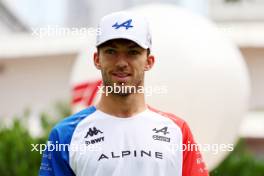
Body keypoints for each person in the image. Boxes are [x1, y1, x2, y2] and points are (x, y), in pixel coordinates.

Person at [39, 11, 208, 176]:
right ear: (97, 60)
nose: (121, 62)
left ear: (149, 62)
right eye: (111, 51)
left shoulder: (177, 130)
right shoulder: (65, 134)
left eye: (133, 52)